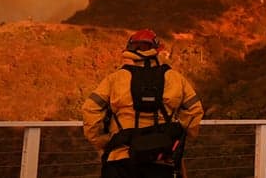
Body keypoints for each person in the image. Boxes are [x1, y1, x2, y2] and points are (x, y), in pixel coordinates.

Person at [82, 29, 204, 178]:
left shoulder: (115, 79)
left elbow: (90, 109)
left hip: (120, 158)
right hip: (161, 158)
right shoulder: (175, 78)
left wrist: (102, 141)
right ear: (157, 49)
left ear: (129, 49)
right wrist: (178, 137)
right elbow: (194, 111)